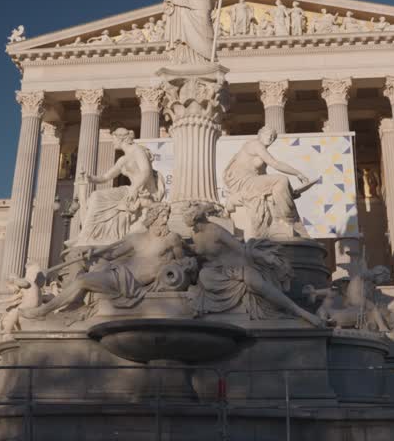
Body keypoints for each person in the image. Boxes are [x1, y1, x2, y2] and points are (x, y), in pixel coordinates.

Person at [24, 204, 186, 319]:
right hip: (119, 273)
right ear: (152, 218)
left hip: (130, 283)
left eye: (166, 216)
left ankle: (44, 311)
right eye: (162, 216)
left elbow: (183, 262)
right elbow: (112, 254)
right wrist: (92, 251)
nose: (165, 220)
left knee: (82, 281)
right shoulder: (136, 238)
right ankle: (74, 302)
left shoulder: (172, 238)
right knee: (78, 260)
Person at [184, 207, 326, 327]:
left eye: (195, 224)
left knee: (257, 284)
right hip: (215, 269)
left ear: (200, 220)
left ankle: (300, 312)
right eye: (192, 226)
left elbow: (241, 248)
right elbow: (200, 251)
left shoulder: (216, 231)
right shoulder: (194, 234)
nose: (194, 228)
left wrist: (265, 256)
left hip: (237, 266)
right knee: (204, 276)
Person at [222, 127, 314, 239]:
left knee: (280, 185)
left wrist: (289, 193)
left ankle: (289, 223)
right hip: (243, 182)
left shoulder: (262, 158)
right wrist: (298, 173)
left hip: (251, 181)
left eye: (273, 137)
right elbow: (275, 164)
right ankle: (286, 220)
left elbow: (265, 179)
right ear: (260, 134)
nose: (270, 138)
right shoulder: (255, 144)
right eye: (268, 134)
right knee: (281, 179)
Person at [72, 128, 160, 245]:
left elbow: (146, 171)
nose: (113, 142)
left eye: (113, 139)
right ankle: (90, 235)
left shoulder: (137, 150)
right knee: (95, 196)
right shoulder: (122, 160)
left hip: (141, 191)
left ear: (121, 139)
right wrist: (89, 178)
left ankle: (91, 235)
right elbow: (105, 177)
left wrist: (134, 188)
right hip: (131, 190)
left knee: (97, 197)